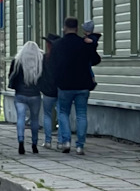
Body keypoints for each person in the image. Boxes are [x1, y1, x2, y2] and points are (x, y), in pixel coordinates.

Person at [50, 16, 101, 156]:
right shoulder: (84, 43)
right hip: (83, 84)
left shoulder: (58, 45)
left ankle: (66, 141)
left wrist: (56, 81)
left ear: (64, 28)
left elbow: (52, 65)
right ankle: (80, 146)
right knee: (81, 114)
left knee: (63, 113)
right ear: (77, 28)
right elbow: (96, 59)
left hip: (65, 84)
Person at [8, 41, 44, 155]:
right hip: (35, 95)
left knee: (20, 118)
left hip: (20, 95)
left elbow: (11, 76)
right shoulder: (40, 62)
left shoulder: (17, 61)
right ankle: (34, 144)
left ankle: (21, 141)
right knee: (34, 119)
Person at [40, 34, 59, 149]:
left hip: (47, 91)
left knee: (47, 115)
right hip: (60, 90)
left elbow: (41, 74)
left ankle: (48, 141)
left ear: (48, 44)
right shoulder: (61, 58)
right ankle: (61, 141)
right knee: (62, 115)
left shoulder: (44, 58)